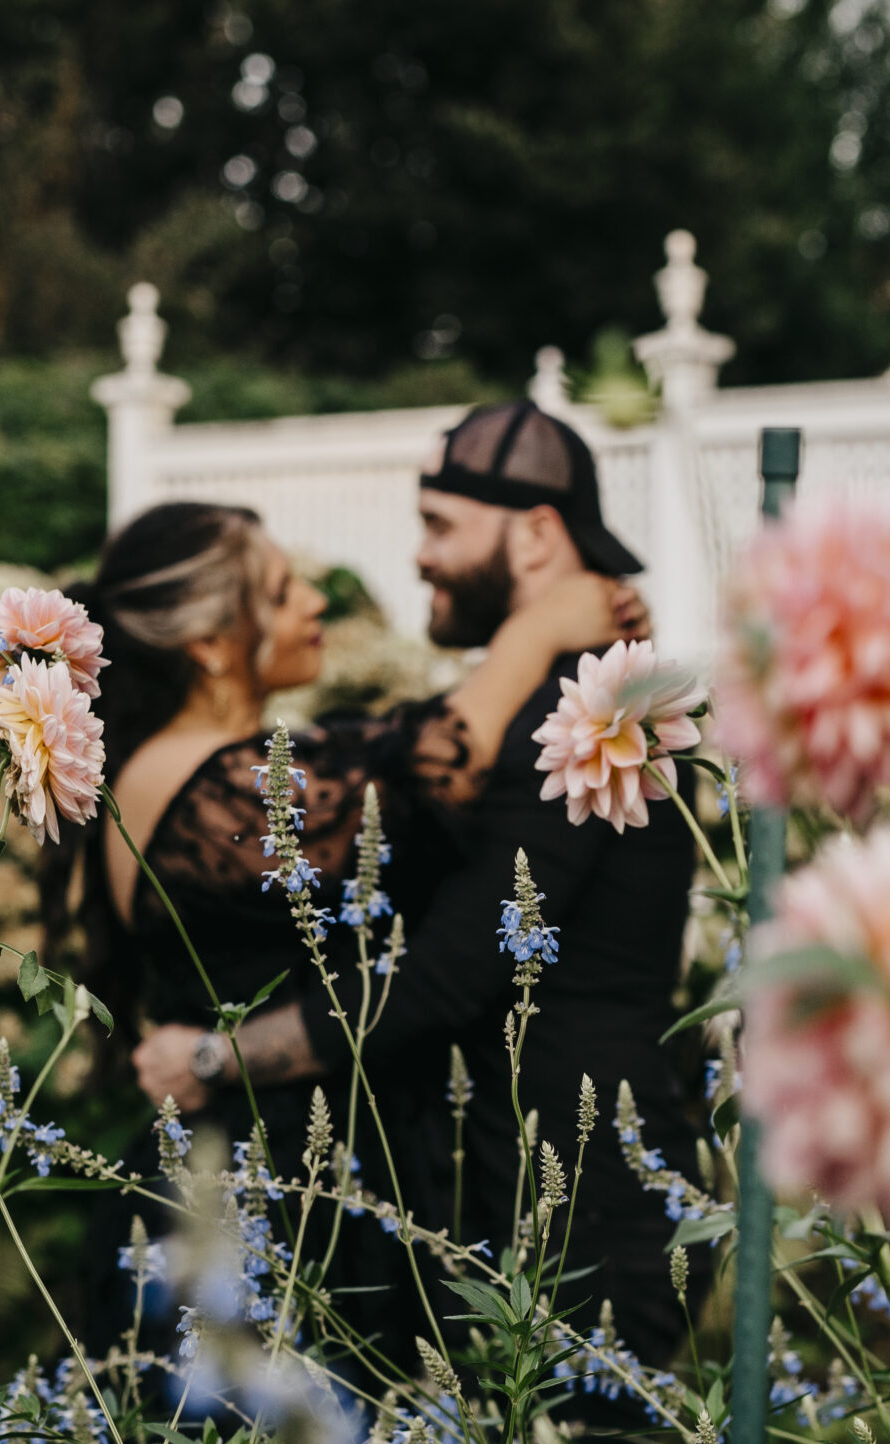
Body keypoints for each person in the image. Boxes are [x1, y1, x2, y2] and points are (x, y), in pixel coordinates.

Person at [134, 402, 703, 1387]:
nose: (420, 558)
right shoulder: (535, 700)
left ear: (533, 533)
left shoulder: (606, 717)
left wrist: (215, 1058)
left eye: (439, 525)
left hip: (577, 1210)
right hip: (497, 1193)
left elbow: (448, 976)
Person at [54, 499, 641, 1353]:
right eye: (283, 589)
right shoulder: (187, 776)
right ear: (214, 643)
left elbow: (380, 754)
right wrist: (537, 632)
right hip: (248, 1197)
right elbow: (427, 763)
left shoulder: (229, 760)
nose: (314, 601)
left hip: (310, 1181)